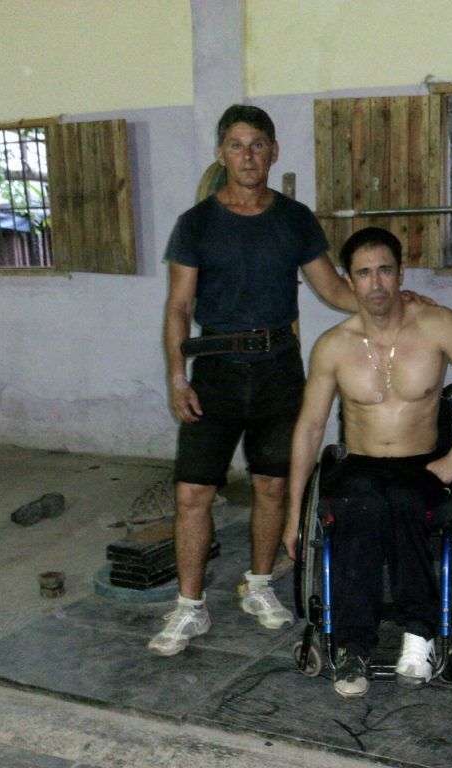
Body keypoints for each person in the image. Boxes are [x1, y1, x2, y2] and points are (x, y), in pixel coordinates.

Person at [148, 106, 428, 657]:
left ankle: (258, 585)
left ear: (274, 151)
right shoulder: (196, 223)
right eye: (235, 145)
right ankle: (189, 607)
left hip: (278, 365)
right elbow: (179, 306)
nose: (247, 155)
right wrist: (176, 376)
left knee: (272, 484)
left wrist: (384, 297)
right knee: (192, 492)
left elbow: (332, 289)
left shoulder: (295, 219)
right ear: (221, 152)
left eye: (257, 145)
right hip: (216, 369)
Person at [282, 226, 452, 697]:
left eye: (385, 270)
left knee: (409, 502)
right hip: (362, 463)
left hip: (424, 463)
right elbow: (309, 429)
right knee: (360, 505)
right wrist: (293, 518)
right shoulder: (333, 346)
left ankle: (419, 633)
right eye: (364, 273)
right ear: (349, 281)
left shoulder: (437, 325)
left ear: (400, 274)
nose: (376, 284)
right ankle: (353, 647)